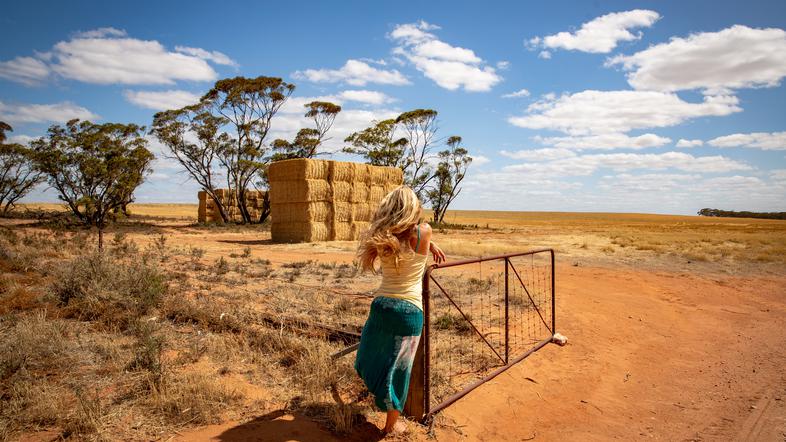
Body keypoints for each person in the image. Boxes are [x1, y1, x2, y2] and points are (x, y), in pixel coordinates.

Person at [354, 185, 446, 434]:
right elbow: (419, 233)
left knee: (368, 358)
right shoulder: (424, 231)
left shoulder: (383, 234)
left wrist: (431, 243)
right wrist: (432, 243)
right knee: (399, 370)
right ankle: (391, 427)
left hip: (381, 305)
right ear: (413, 207)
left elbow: (404, 235)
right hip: (408, 311)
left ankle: (378, 392)